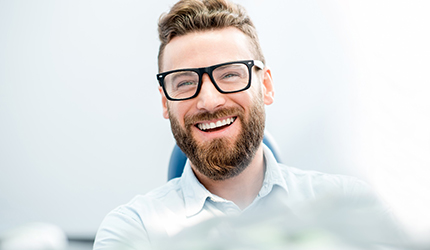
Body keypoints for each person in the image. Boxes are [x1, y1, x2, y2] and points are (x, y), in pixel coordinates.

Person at [94, 0, 406, 249]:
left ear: (266, 87)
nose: (209, 101)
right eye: (185, 82)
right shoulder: (133, 231)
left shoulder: (350, 206)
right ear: (165, 102)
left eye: (230, 74)